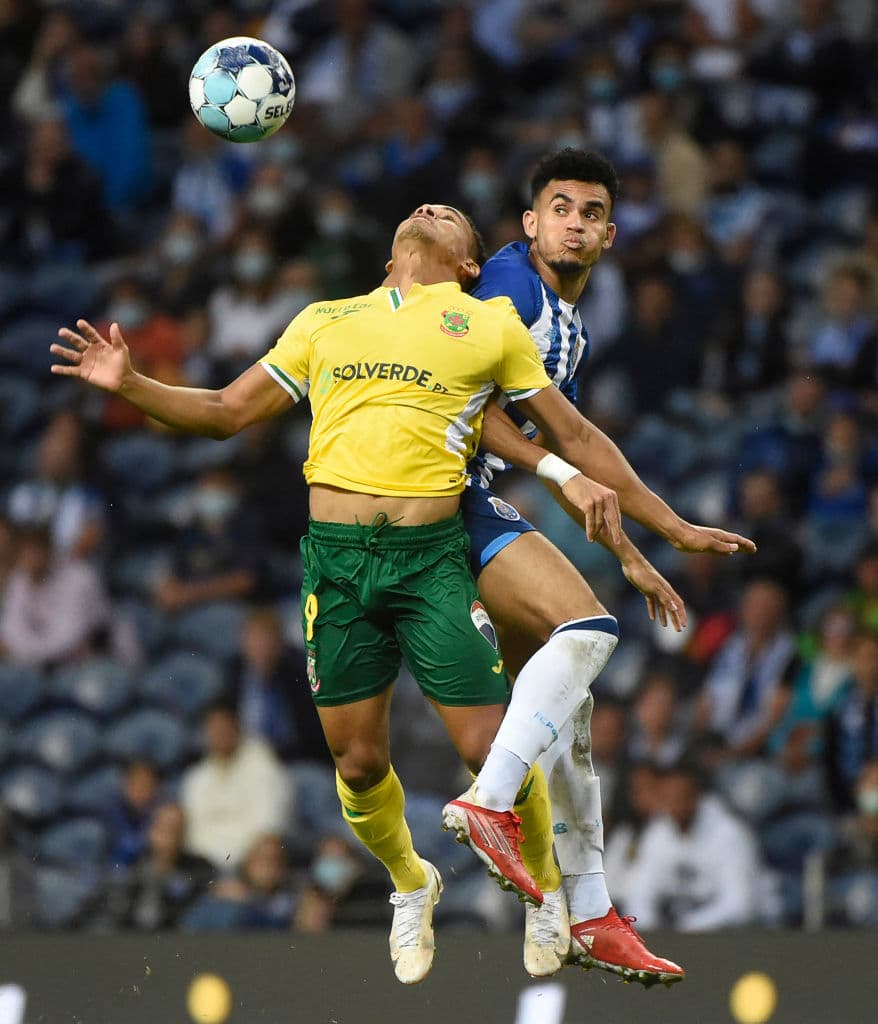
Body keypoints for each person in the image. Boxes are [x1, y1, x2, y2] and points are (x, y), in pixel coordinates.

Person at [51, 201, 622, 985]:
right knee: (356, 763)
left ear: (468, 265)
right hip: (337, 566)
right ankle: (411, 881)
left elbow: (564, 433)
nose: (431, 209)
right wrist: (132, 383)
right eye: (423, 208)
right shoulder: (323, 320)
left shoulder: (489, 325)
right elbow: (225, 412)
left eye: (451, 215)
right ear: (390, 252)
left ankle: (545, 889)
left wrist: (637, 521)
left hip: (430, 561)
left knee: (488, 747)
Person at [442, 148, 754, 983]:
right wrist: (574, 481)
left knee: (570, 703)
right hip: (433, 499)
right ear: (530, 222)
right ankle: (489, 805)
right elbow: (467, 412)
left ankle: (586, 912)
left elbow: (579, 442)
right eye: (560, 208)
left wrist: (655, 539)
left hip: (462, 500)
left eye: (591, 213)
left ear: (610, 234)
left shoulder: (566, 325)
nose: (575, 224)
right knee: (587, 631)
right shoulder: (510, 290)